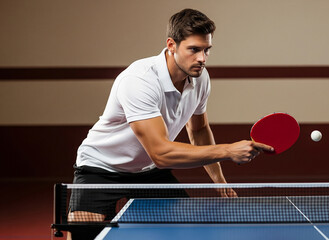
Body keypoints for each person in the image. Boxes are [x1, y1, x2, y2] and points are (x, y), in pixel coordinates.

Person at [67, 8, 273, 239]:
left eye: (207, 50)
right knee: (81, 234)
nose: (202, 59)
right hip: (101, 168)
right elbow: (161, 153)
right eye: (194, 50)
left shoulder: (199, 78)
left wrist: (219, 180)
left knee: (184, 232)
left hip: (148, 172)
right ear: (171, 45)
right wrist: (226, 150)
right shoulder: (139, 80)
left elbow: (199, 129)